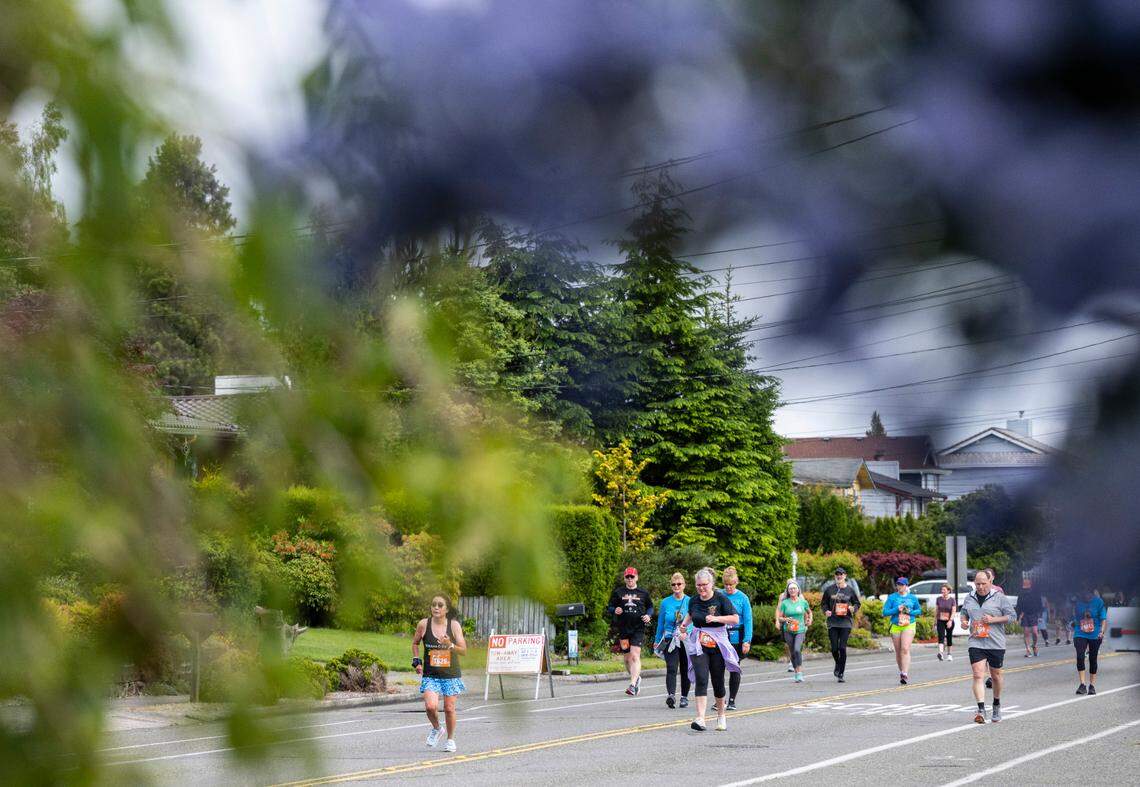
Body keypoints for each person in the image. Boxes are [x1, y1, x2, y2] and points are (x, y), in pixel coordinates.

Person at [678, 567, 740, 731]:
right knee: (701, 678)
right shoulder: (693, 600)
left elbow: (735, 619)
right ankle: (700, 719)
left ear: (711, 584)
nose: (701, 588)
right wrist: (684, 625)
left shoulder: (721, 599)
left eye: (704, 585)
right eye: (698, 585)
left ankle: (721, 714)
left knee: (718, 681)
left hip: (718, 642)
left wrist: (716, 618)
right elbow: (691, 615)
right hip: (699, 642)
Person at [412, 595, 468, 752]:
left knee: (449, 708)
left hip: (450, 673)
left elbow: (463, 651)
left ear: (446, 609)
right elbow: (415, 643)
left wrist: (449, 644)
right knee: (430, 707)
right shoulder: (424, 624)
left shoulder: (454, 626)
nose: (436, 607)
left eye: (440, 605)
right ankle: (437, 728)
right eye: (433, 604)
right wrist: (416, 660)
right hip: (431, 674)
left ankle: (450, 740)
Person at [960, 569, 1016, 723]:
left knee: (996, 676)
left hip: (995, 642)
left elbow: (1012, 616)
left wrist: (993, 619)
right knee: (978, 674)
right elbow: (963, 612)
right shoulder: (969, 597)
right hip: (976, 641)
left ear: (990, 582)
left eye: (983, 583)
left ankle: (996, 704)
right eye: (977, 584)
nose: (980, 587)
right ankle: (981, 709)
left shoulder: (999, 597)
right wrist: (964, 621)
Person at [608, 567, 653, 696]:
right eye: (627, 577)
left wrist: (648, 615)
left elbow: (650, 606)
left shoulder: (643, 593)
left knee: (634, 655)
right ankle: (636, 677)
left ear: (636, 577)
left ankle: (632, 685)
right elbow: (610, 606)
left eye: (632, 577)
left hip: (638, 628)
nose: (629, 579)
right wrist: (614, 610)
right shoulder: (618, 592)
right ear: (624, 578)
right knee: (627, 659)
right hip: (623, 628)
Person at [654, 571, 691, 709]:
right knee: (671, 668)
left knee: (685, 668)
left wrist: (686, 632)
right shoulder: (665, 602)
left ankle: (684, 697)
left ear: (684, 585)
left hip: (685, 639)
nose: (676, 586)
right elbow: (661, 623)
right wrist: (657, 640)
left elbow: (693, 620)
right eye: (673, 584)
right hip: (670, 639)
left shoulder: (689, 601)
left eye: (679, 584)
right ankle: (671, 695)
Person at [721, 566, 753, 709]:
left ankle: (732, 699)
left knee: (734, 667)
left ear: (736, 583)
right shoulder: (719, 595)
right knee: (718, 668)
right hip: (721, 636)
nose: (728, 587)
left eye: (731, 584)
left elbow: (748, 620)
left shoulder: (743, 598)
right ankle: (720, 699)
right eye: (726, 584)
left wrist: (747, 640)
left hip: (736, 637)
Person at [821, 566, 861, 682]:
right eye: (837, 574)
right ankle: (838, 664)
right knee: (834, 648)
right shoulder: (829, 590)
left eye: (841, 574)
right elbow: (823, 604)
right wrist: (826, 611)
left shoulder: (850, 590)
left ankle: (841, 673)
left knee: (842, 648)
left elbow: (857, 603)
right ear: (835, 576)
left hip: (845, 622)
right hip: (833, 622)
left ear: (845, 576)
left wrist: (853, 608)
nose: (839, 576)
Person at [883, 577, 922, 684]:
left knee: (905, 648)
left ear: (906, 586)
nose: (900, 586)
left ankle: (905, 673)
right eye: (898, 584)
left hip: (909, 624)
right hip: (896, 625)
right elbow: (885, 612)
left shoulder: (912, 598)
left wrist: (910, 612)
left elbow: (919, 610)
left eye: (902, 584)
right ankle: (901, 671)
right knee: (899, 651)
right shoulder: (892, 597)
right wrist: (897, 609)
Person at [1073, 584, 1108, 695]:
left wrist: (1102, 632)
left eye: (1088, 593)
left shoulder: (1099, 602)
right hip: (1080, 632)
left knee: (1093, 658)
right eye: (1083, 593)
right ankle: (1082, 684)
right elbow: (1075, 617)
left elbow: (1103, 619)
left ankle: (1092, 685)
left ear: (1092, 593)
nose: (1085, 596)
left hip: (1095, 633)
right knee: (1080, 656)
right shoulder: (1078, 603)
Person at [777, 580, 812, 683]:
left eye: (794, 588)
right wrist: (785, 619)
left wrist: (809, 620)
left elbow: (809, 612)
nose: (792, 590)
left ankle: (800, 672)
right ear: (788, 591)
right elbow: (780, 617)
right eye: (790, 589)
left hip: (800, 630)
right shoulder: (784, 603)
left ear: (798, 590)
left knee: (797, 650)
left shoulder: (803, 602)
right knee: (792, 652)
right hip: (788, 630)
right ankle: (796, 673)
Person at [1017, 581, 1043, 658]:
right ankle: (1028, 650)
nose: (1025, 588)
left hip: (1034, 614)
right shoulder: (1021, 594)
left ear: (1030, 585)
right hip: (1025, 614)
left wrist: (1040, 616)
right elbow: (1019, 605)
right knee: (1026, 632)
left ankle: (1034, 645)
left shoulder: (1036, 593)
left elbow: (1040, 604)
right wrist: (1018, 616)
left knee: (1035, 632)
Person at [934, 582, 957, 662]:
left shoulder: (952, 600)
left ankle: (949, 654)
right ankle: (940, 653)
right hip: (940, 620)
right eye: (942, 590)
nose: (942, 591)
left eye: (944, 590)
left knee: (949, 637)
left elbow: (954, 611)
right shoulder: (938, 599)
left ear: (948, 591)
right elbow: (936, 611)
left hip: (949, 621)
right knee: (941, 636)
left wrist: (950, 621)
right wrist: (935, 621)